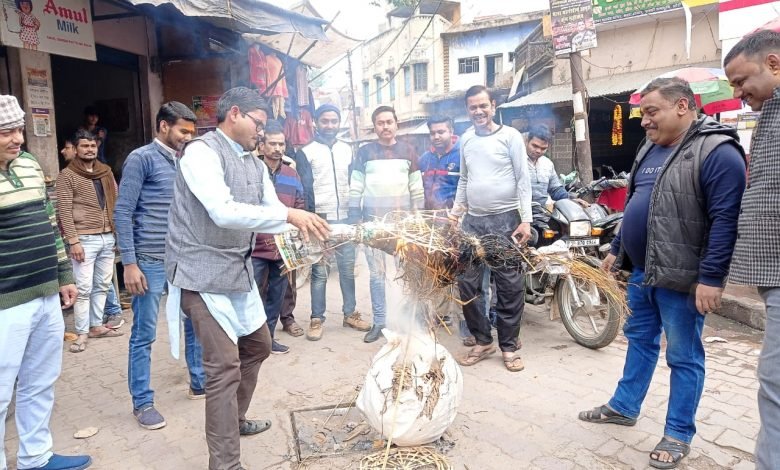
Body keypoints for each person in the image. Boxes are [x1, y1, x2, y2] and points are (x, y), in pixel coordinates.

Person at [577, 77, 746, 469]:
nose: (645, 121)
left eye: (652, 112)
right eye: (643, 113)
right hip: (642, 272)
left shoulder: (718, 151)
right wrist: (617, 249)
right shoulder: (649, 147)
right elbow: (637, 200)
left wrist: (712, 278)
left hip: (683, 279)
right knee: (639, 340)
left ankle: (678, 433)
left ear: (682, 106)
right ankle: (624, 406)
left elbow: (726, 220)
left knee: (683, 356)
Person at [164, 87, 329, 470]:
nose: (261, 132)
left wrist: (313, 228)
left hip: (235, 272)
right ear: (234, 113)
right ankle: (225, 463)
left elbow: (272, 211)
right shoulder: (201, 153)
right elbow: (223, 212)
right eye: (258, 123)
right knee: (224, 367)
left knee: (257, 345)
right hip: (199, 274)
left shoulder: (254, 165)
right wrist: (289, 216)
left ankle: (233, 419)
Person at [0, 95, 92, 470]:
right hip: (6, 302)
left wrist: (64, 275)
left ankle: (35, 457)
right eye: (6, 132)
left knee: (40, 379)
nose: (17, 138)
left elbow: (50, 222)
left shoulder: (29, 163)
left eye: (18, 129)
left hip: (45, 294)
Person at [113, 102, 206, 430]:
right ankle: (142, 402)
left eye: (191, 132)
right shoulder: (141, 159)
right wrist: (129, 263)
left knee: (194, 322)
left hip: (183, 259)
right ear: (164, 126)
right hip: (149, 262)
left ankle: (199, 382)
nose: (187, 137)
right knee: (144, 332)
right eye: (183, 131)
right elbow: (123, 211)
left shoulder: (186, 161)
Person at [724, 30, 780, 470]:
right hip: (773, 272)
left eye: (742, 81)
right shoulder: (771, 114)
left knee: (774, 383)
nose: (738, 93)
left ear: (774, 64)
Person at [449, 85, 532, 373]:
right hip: (473, 222)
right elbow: (464, 179)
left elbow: (523, 179)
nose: (478, 111)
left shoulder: (510, 136)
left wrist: (526, 219)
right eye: (473, 107)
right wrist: (455, 214)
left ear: (493, 106)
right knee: (467, 284)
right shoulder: (466, 139)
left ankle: (509, 347)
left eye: (483, 105)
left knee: (509, 287)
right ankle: (483, 341)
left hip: (505, 220)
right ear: (467, 110)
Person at [348, 105, 425, 343]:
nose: (385, 127)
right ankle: (379, 322)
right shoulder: (365, 152)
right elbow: (356, 186)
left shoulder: (408, 150)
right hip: (373, 224)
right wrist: (355, 217)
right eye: (380, 123)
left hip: (403, 225)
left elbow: (416, 188)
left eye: (389, 122)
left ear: (396, 124)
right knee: (377, 275)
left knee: (407, 272)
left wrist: (418, 217)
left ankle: (408, 321)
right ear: (375, 126)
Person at [295, 103, 368, 341]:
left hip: (346, 217)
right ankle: (317, 318)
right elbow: (305, 188)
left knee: (347, 269)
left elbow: (356, 184)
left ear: (339, 123)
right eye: (325, 121)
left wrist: (356, 214)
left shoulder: (348, 150)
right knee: (319, 272)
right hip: (320, 219)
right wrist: (310, 219)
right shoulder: (306, 152)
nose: (329, 125)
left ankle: (350, 314)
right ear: (316, 123)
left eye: (334, 121)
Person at [56, 130, 123, 353]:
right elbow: (64, 211)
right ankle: (82, 332)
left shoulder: (106, 172)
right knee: (83, 288)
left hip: (107, 236)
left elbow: (116, 200)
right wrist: (73, 241)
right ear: (76, 149)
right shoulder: (67, 175)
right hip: (84, 238)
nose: (89, 150)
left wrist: (117, 234)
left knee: (102, 285)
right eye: (84, 146)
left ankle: (96, 326)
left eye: (93, 146)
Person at [251, 121, 305, 355]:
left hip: (283, 246)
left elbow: (300, 204)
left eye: (281, 144)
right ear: (261, 145)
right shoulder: (252, 171)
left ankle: (269, 339)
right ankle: (249, 342)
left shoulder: (292, 174)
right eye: (272, 143)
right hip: (255, 246)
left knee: (277, 294)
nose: (277, 148)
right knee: (252, 294)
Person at [417, 115, 466, 335]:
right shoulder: (425, 159)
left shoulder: (462, 154)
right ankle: (442, 315)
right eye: (432, 133)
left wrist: (458, 216)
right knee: (438, 270)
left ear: (451, 131)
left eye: (441, 132)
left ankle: (467, 324)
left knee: (463, 272)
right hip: (432, 225)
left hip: (457, 223)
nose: (436, 136)